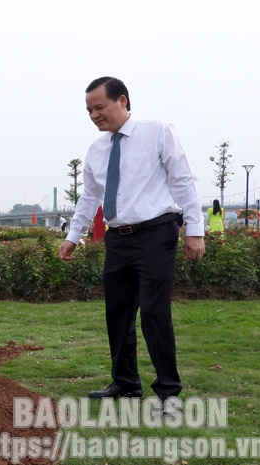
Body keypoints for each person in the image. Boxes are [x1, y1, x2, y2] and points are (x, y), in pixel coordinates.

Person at [58, 77, 205, 410]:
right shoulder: (97, 149)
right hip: (118, 239)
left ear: (122, 100)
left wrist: (195, 230)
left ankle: (168, 392)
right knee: (118, 314)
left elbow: (182, 179)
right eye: (89, 110)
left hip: (156, 234)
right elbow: (90, 196)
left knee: (154, 313)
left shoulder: (157, 133)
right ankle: (125, 383)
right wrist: (73, 236)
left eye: (99, 107)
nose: (94, 115)